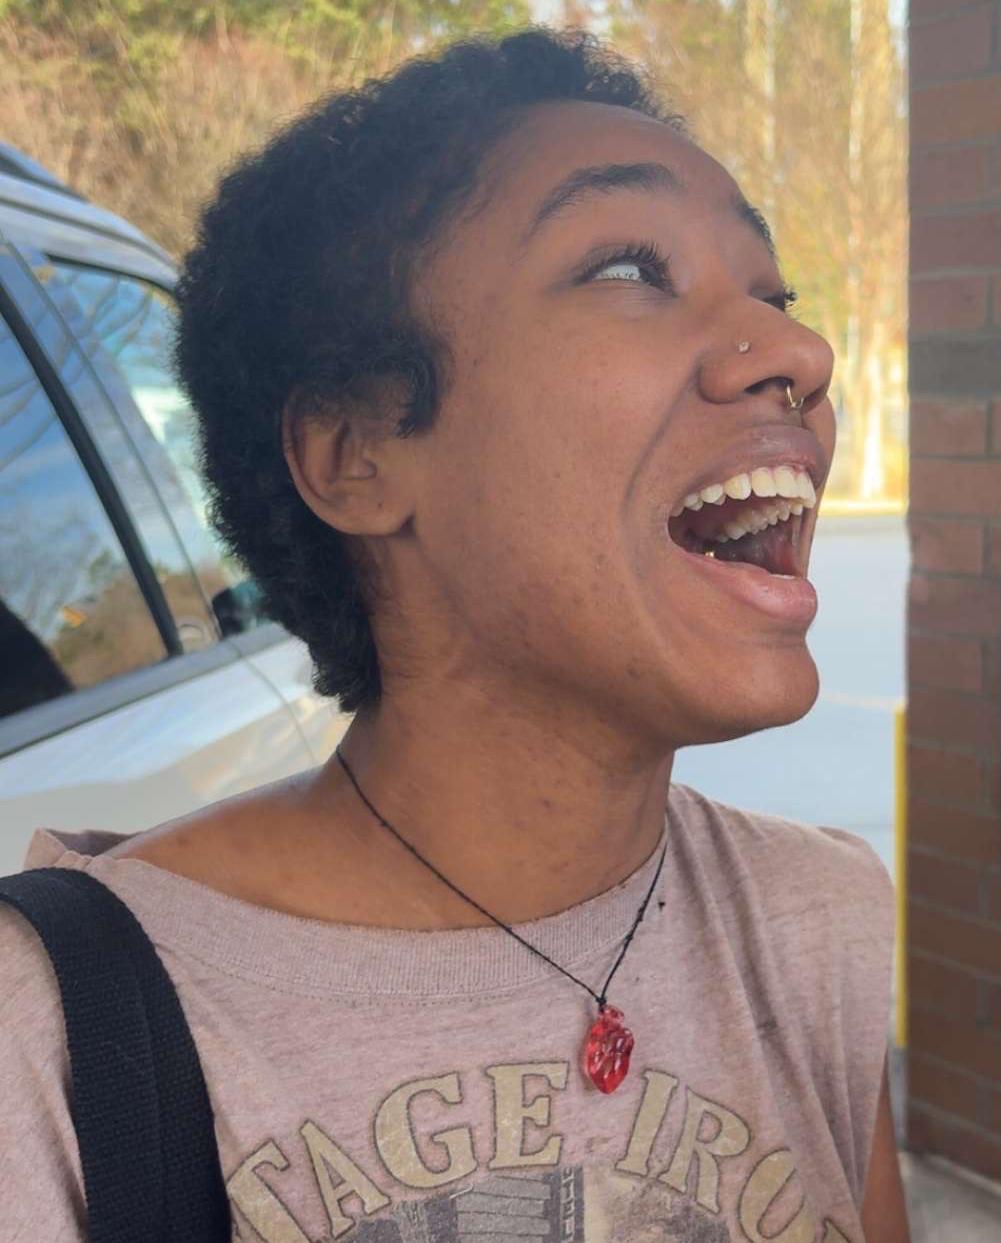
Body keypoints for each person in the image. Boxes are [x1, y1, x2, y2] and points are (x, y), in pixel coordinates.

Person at [0, 28, 906, 1242]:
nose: (800, 353)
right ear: (357, 455)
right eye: (630, 268)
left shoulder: (815, 919)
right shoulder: (56, 1036)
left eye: (774, 297)